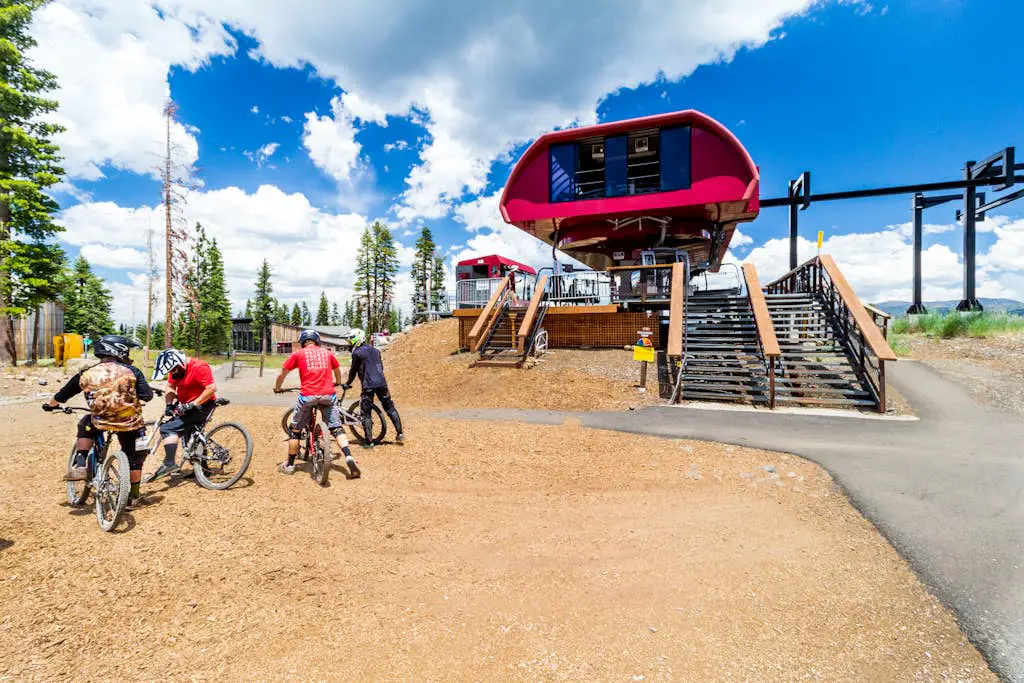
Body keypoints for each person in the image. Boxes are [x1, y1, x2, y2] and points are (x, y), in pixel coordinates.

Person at [43, 334, 155, 508]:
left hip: (99, 421)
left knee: (85, 424)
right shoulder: (133, 371)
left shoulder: (86, 373)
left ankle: (80, 463)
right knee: (135, 457)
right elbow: (147, 395)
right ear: (118, 349)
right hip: (130, 423)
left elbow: (63, 394)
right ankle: (133, 497)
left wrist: (51, 405)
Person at [273, 329, 360, 478]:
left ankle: (290, 465)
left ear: (302, 342)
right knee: (336, 428)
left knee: (295, 431)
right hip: (328, 395)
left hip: (308, 396)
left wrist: (278, 387)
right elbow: (337, 370)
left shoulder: (298, 354)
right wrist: (337, 382)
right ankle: (349, 458)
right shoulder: (327, 353)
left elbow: (283, 372)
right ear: (317, 341)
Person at [147, 349, 217, 482]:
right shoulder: (175, 369)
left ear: (180, 363)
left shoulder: (199, 367)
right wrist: (169, 404)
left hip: (203, 404)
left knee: (168, 428)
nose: (173, 373)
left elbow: (211, 388)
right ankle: (203, 469)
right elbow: (170, 387)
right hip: (186, 404)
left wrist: (193, 404)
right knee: (191, 433)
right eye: (170, 371)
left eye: (174, 369)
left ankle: (169, 464)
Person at [342, 328, 405, 449]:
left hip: (368, 385)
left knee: (366, 413)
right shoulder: (376, 351)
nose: (349, 343)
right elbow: (380, 366)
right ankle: (400, 433)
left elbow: (353, 371)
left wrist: (347, 383)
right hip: (382, 383)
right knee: (390, 407)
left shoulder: (357, 353)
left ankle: (369, 442)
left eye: (350, 341)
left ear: (357, 340)